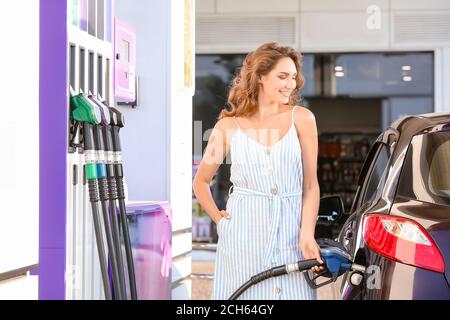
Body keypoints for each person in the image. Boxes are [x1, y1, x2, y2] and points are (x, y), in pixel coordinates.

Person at [193, 42, 323, 300]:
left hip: (291, 238)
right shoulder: (228, 127)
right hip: (242, 242)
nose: (291, 84)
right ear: (261, 77)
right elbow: (201, 181)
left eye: (294, 77)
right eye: (283, 76)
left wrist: (306, 234)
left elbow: (310, 186)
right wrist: (222, 223)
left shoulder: (303, 119)